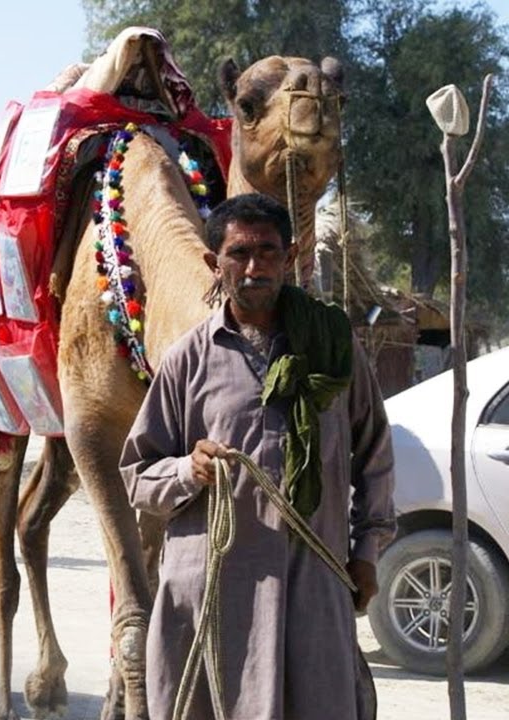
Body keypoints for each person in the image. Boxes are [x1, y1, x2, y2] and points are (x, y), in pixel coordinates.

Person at [119, 193, 396, 719]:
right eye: (239, 253)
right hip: (215, 591)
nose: (254, 267)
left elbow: (376, 458)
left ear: (289, 257)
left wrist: (368, 552)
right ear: (213, 263)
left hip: (313, 581)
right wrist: (187, 470)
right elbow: (138, 474)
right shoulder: (187, 361)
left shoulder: (335, 349)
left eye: (268, 252)